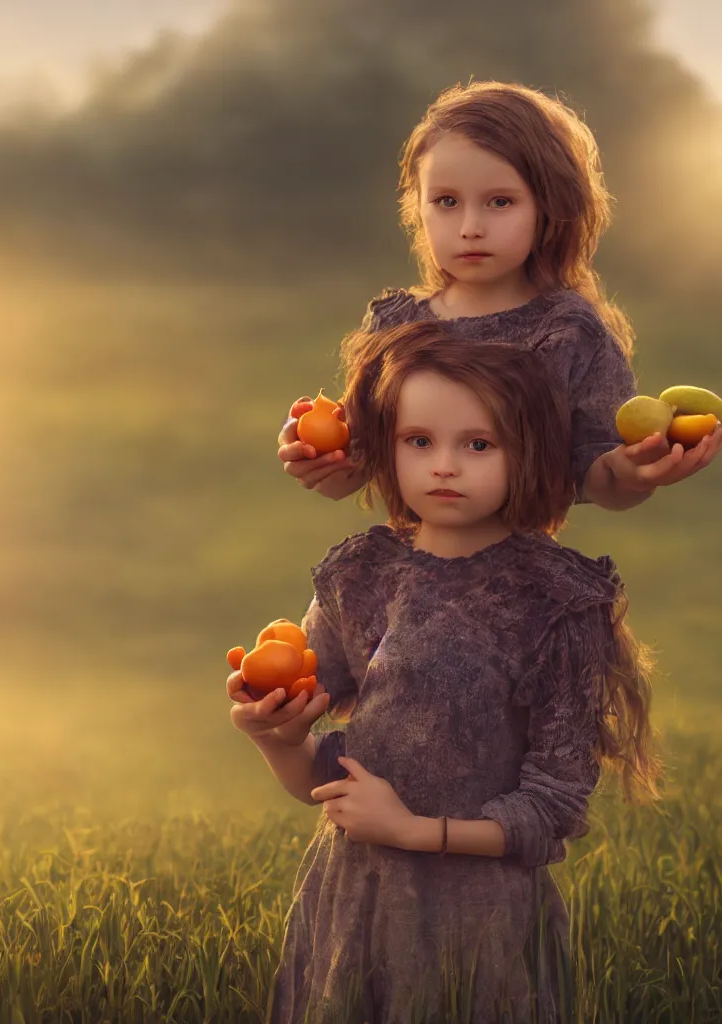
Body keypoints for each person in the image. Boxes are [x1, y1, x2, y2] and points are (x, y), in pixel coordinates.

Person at [228, 322, 664, 1023]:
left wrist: (413, 831)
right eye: (419, 442)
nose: (444, 467)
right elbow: (324, 784)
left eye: (479, 444)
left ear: (531, 454)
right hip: (353, 907)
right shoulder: (360, 575)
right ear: (387, 448)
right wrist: (272, 736)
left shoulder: (557, 600)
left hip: (481, 923)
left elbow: (553, 808)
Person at [276, 81, 722, 509]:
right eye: (447, 201)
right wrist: (314, 455)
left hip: (516, 573)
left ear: (550, 207)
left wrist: (639, 472)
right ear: (418, 207)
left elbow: (602, 481)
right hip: (406, 567)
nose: (471, 226)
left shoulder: (570, 333)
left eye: (500, 201)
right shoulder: (395, 324)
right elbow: (354, 468)